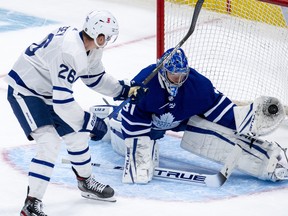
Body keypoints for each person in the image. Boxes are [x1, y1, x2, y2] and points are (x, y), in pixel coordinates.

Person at [5, 10, 143, 216]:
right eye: (108, 36)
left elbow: (95, 78)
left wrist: (122, 90)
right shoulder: (70, 52)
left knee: (77, 136)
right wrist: (90, 121)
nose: (109, 40)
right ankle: (31, 204)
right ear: (99, 35)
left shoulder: (90, 46)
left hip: (48, 92)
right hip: (25, 91)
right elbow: (62, 103)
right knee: (49, 142)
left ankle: (85, 181)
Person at [99, 48, 288, 184]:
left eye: (182, 75)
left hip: (180, 119)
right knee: (127, 143)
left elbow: (220, 110)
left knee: (207, 132)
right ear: (163, 71)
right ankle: (106, 123)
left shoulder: (198, 86)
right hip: (147, 125)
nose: (179, 80)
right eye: (174, 76)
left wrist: (245, 120)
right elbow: (133, 120)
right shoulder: (144, 82)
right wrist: (137, 157)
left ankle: (271, 160)